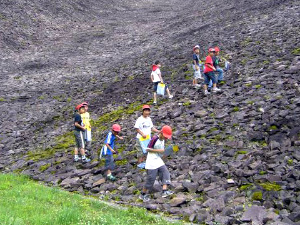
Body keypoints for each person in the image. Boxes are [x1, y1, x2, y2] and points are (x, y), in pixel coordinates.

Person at [139, 125, 174, 202]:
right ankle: (143, 194)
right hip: (151, 161)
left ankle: (165, 191)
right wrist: (158, 151)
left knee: (165, 173)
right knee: (151, 179)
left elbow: (162, 150)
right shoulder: (155, 138)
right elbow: (147, 149)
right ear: (161, 133)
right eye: (165, 136)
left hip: (158, 159)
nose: (166, 138)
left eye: (167, 137)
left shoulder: (163, 139)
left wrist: (165, 152)